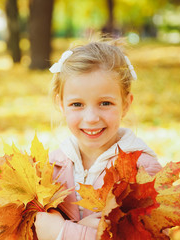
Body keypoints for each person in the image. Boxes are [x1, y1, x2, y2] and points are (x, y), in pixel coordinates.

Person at [34, 39, 163, 240]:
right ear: (61, 104)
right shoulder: (50, 167)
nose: (92, 118)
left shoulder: (142, 170)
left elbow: (150, 234)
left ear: (125, 104)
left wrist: (65, 232)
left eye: (105, 103)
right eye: (77, 104)